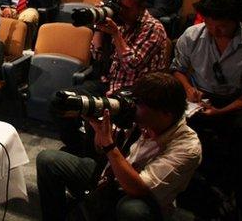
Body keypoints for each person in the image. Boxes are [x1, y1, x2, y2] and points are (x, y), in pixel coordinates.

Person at [37, 72, 202, 221]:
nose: (133, 107)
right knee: (48, 160)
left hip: (141, 197)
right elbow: (100, 151)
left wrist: (109, 145)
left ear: (166, 113)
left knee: (133, 211)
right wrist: (98, 130)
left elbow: (140, 188)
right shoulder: (141, 120)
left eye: (140, 104)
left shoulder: (187, 147)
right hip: (111, 177)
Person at [171, 0, 242, 220]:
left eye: (222, 26)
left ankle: (241, 195)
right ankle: (187, 188)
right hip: (200, 97)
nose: (215, 30)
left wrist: (220, 111)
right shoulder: (192, 35)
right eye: (210, 24)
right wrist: (189, 89)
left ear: (237, 21)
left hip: (237, 101)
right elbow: (178, 69)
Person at [57, 0, 168, 151]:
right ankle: (80, 148)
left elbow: (132, 64)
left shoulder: (153, 28)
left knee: (95, 112)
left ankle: (94, 155)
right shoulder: (118, 21)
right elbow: (96, 54)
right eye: (119, 7)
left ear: (140, 8)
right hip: (108, 82)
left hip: (135, 92)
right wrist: (99, 27)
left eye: (127, 9)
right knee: (63, 102)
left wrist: (116, 34)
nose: (121, 13)